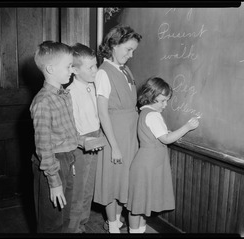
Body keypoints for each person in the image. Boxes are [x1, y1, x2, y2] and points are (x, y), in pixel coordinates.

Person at [126, 77, 200, 233]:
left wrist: (166, 132)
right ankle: (135, 231)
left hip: (148, 163)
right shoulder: (153, 115)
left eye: (167, 100)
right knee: (137, 205)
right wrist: (187, 126)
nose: (165, 105)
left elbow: (156, 134)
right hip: (148, 165)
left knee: (141, 203)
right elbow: (166, 140)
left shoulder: (146, 111)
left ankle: (139, 230)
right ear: (150, 96)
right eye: (162, 101)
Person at [93, 25, 142, 233]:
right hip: (116, 135)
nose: (130, 55)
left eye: (133, 51)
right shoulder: (103, 73)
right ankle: (112, 225)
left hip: (130, 134)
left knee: (125, 181)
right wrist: (114, 146)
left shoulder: (125, 69)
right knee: (112, 182)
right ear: (113, 44)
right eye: (128, 49)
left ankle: (119, 220)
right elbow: (103, 113)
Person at [30, 41, 78, 233]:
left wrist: (71, 161)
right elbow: (44, 146)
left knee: (64, 216)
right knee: (51, 223)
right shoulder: (42, 102)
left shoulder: (63, 95)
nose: (72, 70)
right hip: (51, 164)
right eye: (68, 66)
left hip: (65, 160)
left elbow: (66, 134)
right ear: (50, 68)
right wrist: (54, 180)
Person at [66, 43, 104, 233]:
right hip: (80, 145)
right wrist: (84, 141)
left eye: (96, 65)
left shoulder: (93, 86)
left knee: (89, 189)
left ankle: (82, 224)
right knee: (78, 191)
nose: (95, 70)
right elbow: (71, 129)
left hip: (95, 138)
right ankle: (73, 228)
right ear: (74, 70)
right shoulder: (70, 93)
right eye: (90, 67)